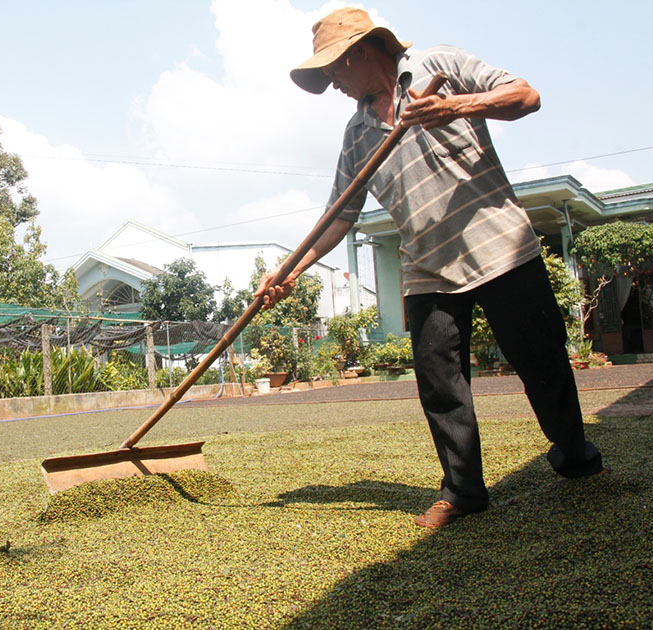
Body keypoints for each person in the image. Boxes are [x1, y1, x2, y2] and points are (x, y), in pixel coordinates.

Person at [258, 7, 604, 528]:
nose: (332, 85)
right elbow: (338, 217)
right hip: (427, 268)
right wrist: (287, 272)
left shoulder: (440, 64)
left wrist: (458, 107)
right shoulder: (356, 135)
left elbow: (526, 96)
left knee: (542, 361)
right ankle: (464, 491)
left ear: (358, 52)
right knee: (440, 382)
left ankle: (574, 454)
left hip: (500, 247)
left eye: (333, 70)